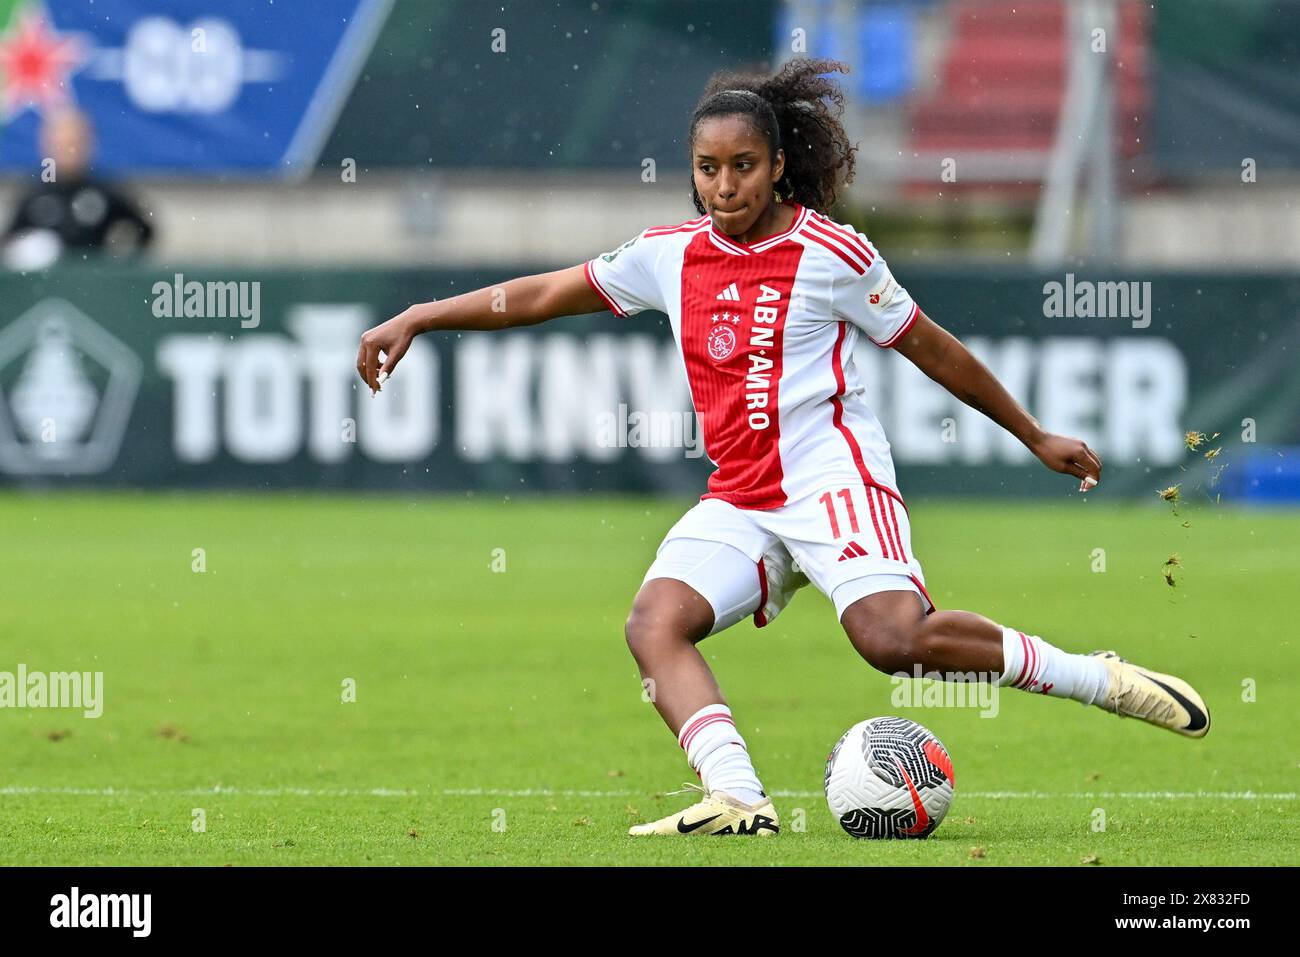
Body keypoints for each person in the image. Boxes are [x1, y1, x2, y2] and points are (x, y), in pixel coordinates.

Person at [355, 58, 1209, 838]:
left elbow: (930, 345)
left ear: (776, 168)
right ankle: (738, 796)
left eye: (743, 166)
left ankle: (1101, 679)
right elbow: (544, 291)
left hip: (832, 477)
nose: (724, 186)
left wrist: (1033, 434)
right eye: (708, 168)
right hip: (741, 494)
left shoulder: (831, 253)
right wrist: (422, 315)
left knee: (890, 641)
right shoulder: (668, 255)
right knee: (655, 622)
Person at [3, 108, 153, 268]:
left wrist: (119, 263)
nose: (68, 152)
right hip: (47, 287)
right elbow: (9, 242)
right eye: (61, 144)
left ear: (88, 144)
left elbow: (144, 231)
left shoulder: (106, 191)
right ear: (46, 145)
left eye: (74, 144)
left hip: (94, 284)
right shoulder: (33, 195)